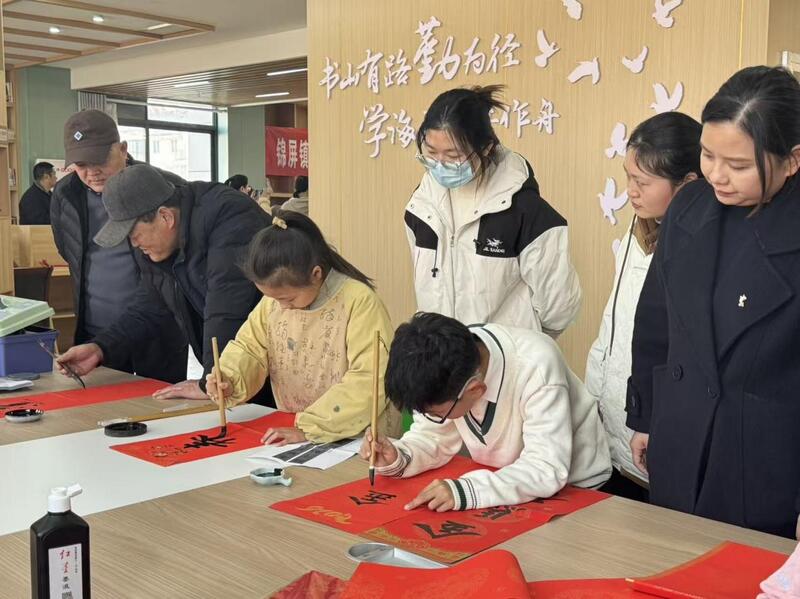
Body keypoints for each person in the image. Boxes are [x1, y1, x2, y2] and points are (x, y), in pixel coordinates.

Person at [627, 66, 800, 539]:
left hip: (764, 457)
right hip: (681, 434)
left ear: (792, 160)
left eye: (739, 165)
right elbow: (656, 319)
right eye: (707, 155)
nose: (717, 176)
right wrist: (646, 416)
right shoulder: (688, 206)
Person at [56, 164, 270, 402]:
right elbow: (149, 307)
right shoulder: (159, 247)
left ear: (166, 217)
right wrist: (101, 348)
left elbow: (227, 307)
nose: (134, 244)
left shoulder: (230, 218)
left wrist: (210, 380)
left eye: (134, 234)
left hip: (277, 364)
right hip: (241, 373)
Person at [361, 312, 610, 512]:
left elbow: (545, 467)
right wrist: (399, 456)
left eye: (437, 414)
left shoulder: (536, 365)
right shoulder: (449, 362)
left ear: (475, 389)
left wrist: (468, 490)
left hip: (578, 491)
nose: (434, 419)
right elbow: (434, 436)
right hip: (504, 486)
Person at [206, 210, 401, 444]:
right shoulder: (272, 304)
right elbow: (250, 348)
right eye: (273, 299)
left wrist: (313, 427)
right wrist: (230, 378)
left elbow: (370, 377)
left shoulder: (358, 301)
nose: (282, 307)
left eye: (288, 298)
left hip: (361, 438)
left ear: (316, 274)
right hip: (298, 430)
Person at [585, 112, 701, 501]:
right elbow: (614, 324)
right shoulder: (640, 228)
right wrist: (594, 394)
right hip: (617, 418)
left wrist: (647, 417)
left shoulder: (693, 247)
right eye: (628, 177)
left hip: (656, 424)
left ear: (687, 184)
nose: (631, 191)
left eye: (643, 182)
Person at [405, 85, 581, 336]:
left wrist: (517, 347)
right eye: (432, 153)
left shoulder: (524, 211)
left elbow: (558, 308)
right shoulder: (421, 207)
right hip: (442, 354)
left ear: (486, 147)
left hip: (507, 356)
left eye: (453, 155)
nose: (440, 165)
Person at [50, 109, 187, 383]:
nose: (92, 172)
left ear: (123, 149)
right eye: (81, 165)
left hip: (158, 331)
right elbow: (68, 251)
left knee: (161, 402)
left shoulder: (164, 187)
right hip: (96, 334)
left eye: (100, 160)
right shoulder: (65, 195)